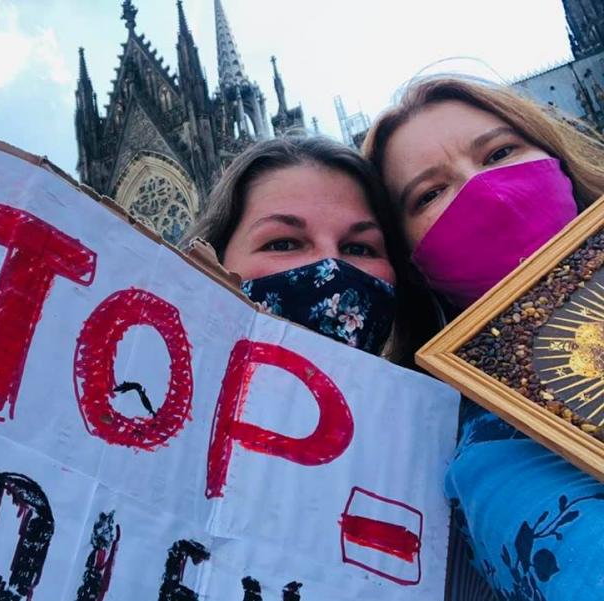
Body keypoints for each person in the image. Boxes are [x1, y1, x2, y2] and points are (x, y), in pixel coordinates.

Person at [364, 76, 604, 600]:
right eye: (430, 193)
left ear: (556, 156)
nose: (481, 189)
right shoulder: (496, 454)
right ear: (414, 263)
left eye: (498, 153)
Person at [184, 135, 433, 363]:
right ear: (211, 261)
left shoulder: (445, 408)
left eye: (359, 248)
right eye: (283, 244)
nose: (331, 268)